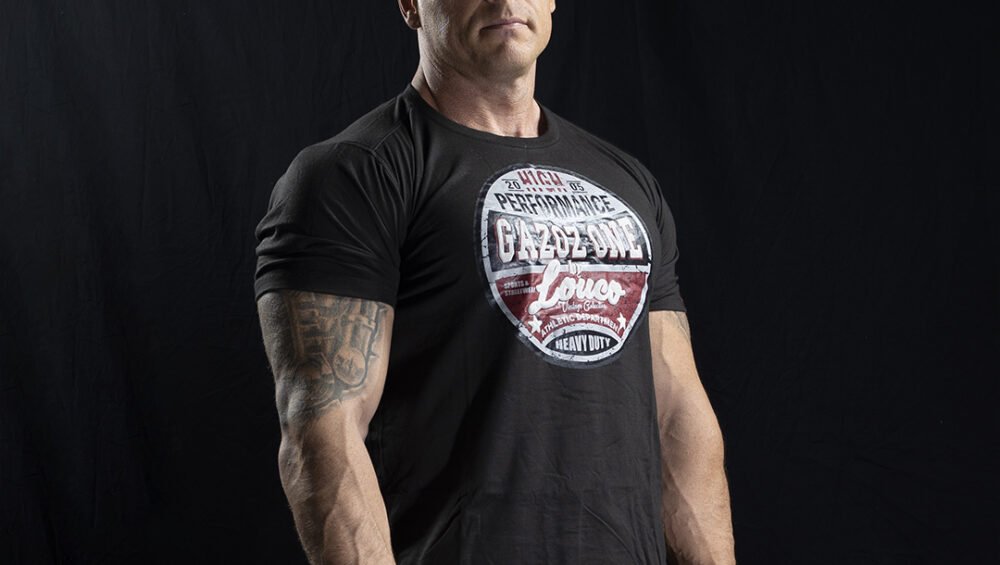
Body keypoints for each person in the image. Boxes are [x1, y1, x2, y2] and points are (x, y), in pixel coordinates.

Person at [253, 0, 735, 563]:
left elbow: (678, 416)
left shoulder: (625, 183)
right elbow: (323, 434)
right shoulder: (355, 176)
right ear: (410, 6)